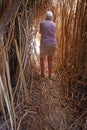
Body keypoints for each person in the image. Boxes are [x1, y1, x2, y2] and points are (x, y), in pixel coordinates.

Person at [40, 11, 56, 78]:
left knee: (42, 59)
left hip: (44, 43)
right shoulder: (54, 24)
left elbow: (41, 32)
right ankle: (49, 75)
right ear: (51, 17)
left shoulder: (42, 24)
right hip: (52, 43)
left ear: (45, 16)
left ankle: (42, 74)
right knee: (50, 60)